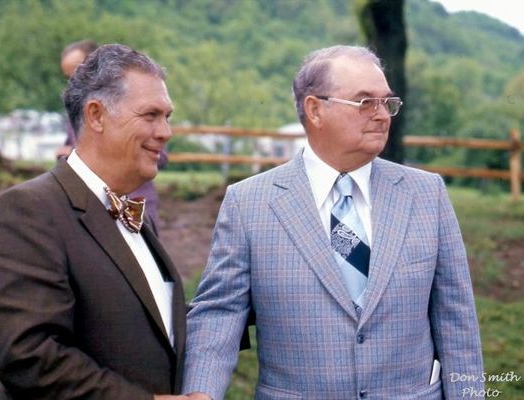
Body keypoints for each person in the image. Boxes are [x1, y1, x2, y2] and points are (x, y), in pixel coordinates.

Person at [182, 45, 484, 399]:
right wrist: (199, 393)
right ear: (315, 109)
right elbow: (220, 313)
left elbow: (457, 322)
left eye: (387, 102)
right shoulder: (249, 203)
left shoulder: (426, 194)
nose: (382, 115)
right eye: (365, 102)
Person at [0, 44, 189, 399]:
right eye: (151, 115)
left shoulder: (136, 215)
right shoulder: (28, 211)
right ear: (96, 116)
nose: (165, 132)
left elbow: (152, 325)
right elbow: (28, 358)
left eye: (167, 117)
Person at [56, 39, 166, 233]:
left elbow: (161, 156)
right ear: (94, 115)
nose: (74, 80)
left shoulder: (137, 105)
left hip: (137, 200)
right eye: (68, 76)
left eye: (77, 70)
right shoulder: (74, 115)